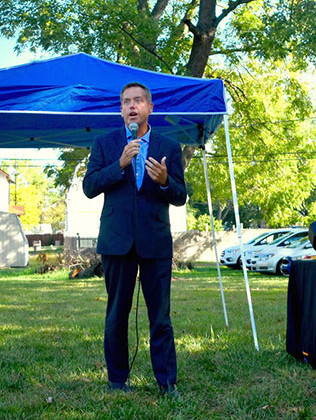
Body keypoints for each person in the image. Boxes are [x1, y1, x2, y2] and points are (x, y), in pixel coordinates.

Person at [83, 82, 186, 397]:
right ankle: (117, 380)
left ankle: (166, 382)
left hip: (155, 241)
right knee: (116, 314)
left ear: (150, 107)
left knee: (161, 316)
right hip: (117, 241)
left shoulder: (169, 146)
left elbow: (181, 196)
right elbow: (89, 186)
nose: (131, 106)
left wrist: (166, 181)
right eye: (126, 101)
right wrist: (120, 165)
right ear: (121, 108)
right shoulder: (105, 144)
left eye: (138, 100)